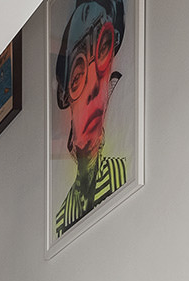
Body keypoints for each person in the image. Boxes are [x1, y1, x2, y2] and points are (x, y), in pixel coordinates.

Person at [53, 0, 129, 238]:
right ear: (66, 96)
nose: (94, 87)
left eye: (103, 49)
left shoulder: (122, 173)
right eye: (78, 75)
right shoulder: (60, 219)